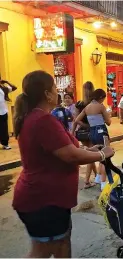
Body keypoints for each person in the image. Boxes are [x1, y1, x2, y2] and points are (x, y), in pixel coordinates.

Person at [12, 70, 114, 258]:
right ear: (47, 94)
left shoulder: (38, 117)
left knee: (62, 245)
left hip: (50, 199)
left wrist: (91, 151)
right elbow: (70, 156)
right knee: (43, 251)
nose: (57, 92)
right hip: (43, 201)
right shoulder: (42, 120)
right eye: (54, 88)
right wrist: (102, 154)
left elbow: (60, 151)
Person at [74, 89, 112, 191]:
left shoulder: (87, 107)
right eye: (103, 99)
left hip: (92, 132)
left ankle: (98, 178)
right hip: (101, 131)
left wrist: (88, 125)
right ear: (100, 97)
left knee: (99, 154)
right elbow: (109, 122)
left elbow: (77, 120)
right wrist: (107, 116)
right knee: (105, 157)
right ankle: (104, 183)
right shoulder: (101, 107)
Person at [0, 78, 17, 150]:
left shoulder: (3, 88)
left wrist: (7, 82)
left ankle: (5, 144)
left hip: (3, 111)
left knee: (4, 128)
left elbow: (14, 87)